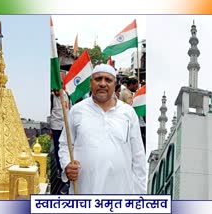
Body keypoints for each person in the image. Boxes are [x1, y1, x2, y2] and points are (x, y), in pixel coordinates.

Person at [58, 64, 146, 194]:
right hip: (84, 189)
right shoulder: (77, 111)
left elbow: (138, 155)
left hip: (121, 191)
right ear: (91, 83)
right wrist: (67, 166)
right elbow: (65, 143)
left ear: (115, 84)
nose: (103, 84)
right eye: (98, 79)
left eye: (108, 80)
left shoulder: (128, 112)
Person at [50, 88, 71, 193]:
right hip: (56, 125)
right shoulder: (51, 97)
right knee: (58, 148)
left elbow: (69, 108)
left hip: (66, 124)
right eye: (55, 90)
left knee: (68, 147)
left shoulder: (67, 94)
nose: (57, 92)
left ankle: (66, 171)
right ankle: (59, 169)